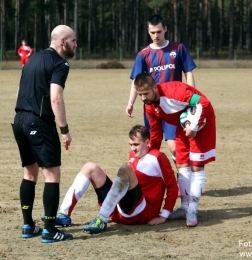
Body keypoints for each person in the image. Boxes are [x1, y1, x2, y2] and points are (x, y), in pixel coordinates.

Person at [42, 125, 178, 232]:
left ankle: (101, 219)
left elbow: (172, 186)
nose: (133, 148)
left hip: (142, 212)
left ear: (147, 142)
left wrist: (164, 215)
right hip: (121, 210)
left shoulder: (158, 157)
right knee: (90, 167)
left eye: (136, 144)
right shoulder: (132, 154)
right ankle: (63, 214)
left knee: (125, 169)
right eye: (130, 144)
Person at [11, 25, 77, 243]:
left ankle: (28, 225)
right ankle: (50, 230)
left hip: (20, 119)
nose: (76, 45)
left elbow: (20, 91)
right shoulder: (60, 63)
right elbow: (55, 98)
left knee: (29, 174)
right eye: (73, 41)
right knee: (52, 175)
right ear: (62, 41)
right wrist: (64, 130)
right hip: (39, 122)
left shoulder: (32, 59)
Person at [133, 73, 216, 227]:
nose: (143, 98)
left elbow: (203, 102)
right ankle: (184, 207)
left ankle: (192, 210)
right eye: (139, 95)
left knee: (196, 166)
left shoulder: (175, 92)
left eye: (146, 93)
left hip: (201, 122)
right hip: (182, 125)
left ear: (155, 88)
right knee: (182, 164)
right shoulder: (150, 106)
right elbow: (156, 133)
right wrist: (150, 156)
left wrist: (195, 126)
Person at [126, 14, 196, 160]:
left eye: (159, 31)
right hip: (152, 109)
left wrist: (192, 98)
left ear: (165, 29)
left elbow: (188, 72)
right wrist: (130, 103)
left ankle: (181, 175)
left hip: (173, 106)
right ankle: (152, 180)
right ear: (148, 31)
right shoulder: (143, 54)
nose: (156, 35)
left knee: (175, 147)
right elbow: (136, 81)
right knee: (150, 146)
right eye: (152, 32)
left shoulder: (178, 48)